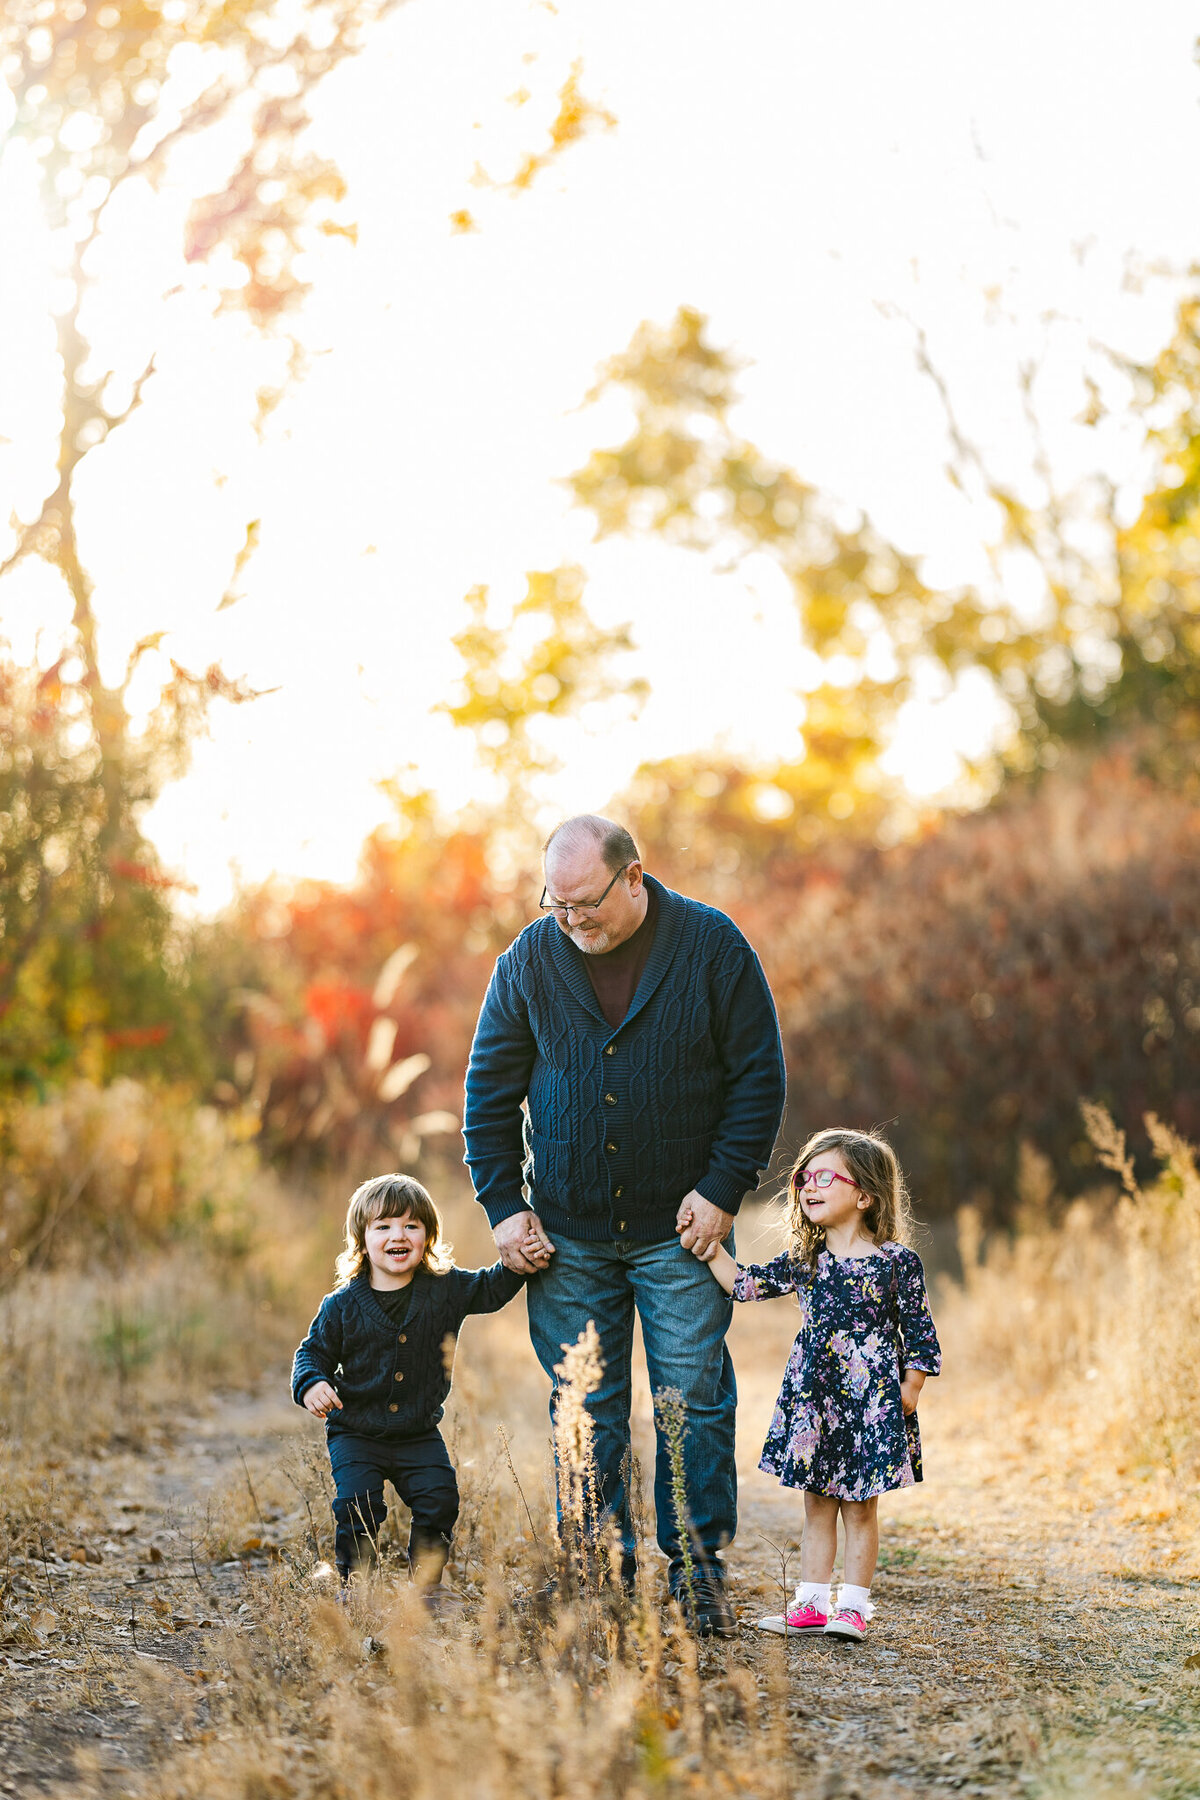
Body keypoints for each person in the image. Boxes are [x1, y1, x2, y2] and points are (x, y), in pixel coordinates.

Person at [463, 814, 786, 1634]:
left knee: (691, 1402)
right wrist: (504, 1207)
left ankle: (699, 1575)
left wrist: (723, 1188)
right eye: (556, 903)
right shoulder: (528, 962)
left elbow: (758, 1078)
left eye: (587, 902)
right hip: (565, 1237)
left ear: (633, 876)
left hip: (683, 1231)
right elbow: (488, 1095)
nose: (572, 920)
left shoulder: (713, 948)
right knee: (584, 1406)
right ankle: (598, 1578)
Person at [688, 1126, 941, 1642]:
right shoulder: (807, 1261)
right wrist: (711, 1249)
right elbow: (746, 1285)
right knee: (817, 1504)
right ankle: (810, 1603)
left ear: (864, 1196)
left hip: (872, 1402)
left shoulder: (897, 1263)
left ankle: (853, 1607)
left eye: (825, 1177)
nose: (808, 1186)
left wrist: (911, 1388)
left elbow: (920, 1333)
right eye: (803, 1177)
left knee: (861, 1507)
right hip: (816, 1399)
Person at [291, 1172, 527, 1608]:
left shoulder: (445, 1289)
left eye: (410, 1225)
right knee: (357, 1505)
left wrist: (520, 1258)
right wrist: (312, 1383)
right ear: (362, 1241)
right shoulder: (341, 1305)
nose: (397, 1235)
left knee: (440, 1499)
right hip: (355, 1432)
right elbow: (311, 1355)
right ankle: (356, 1588)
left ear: (428, 1237)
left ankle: (427, 1589)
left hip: (418, 1433)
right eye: (383, 1226)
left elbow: (491, 1289)